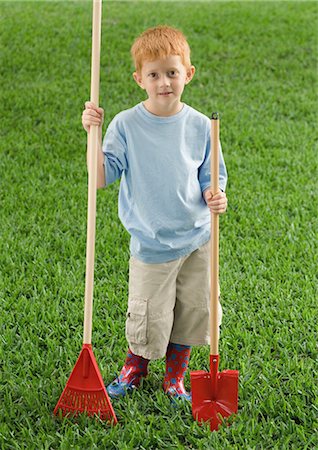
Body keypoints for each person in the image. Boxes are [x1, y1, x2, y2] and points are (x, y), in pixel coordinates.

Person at [82, 25, 228, 401]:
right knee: (148, 315)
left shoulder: (200, 125)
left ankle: (175, 376)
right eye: (154, 74)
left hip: (197, 239)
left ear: (188, 74)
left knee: (193, 310)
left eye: (172, 72)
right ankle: (135, 368)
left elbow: (211, 176)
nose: (164, 82)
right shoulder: (126, 125)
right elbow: (100, 177)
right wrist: (92, 135)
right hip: (152, 243)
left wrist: (216, 194)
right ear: (139, 79)